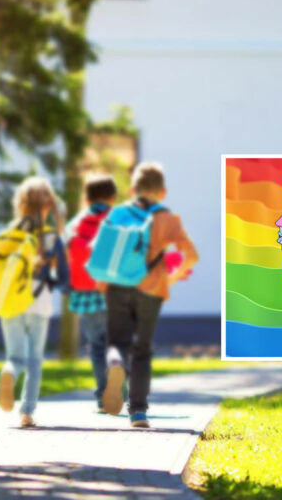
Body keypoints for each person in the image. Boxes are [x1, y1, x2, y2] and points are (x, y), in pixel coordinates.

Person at [102, 162, 198, 428]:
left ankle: (115, 365)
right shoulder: (168, 219)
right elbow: (192, 256)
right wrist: (172, 277)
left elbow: (102, 256)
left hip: (118, 286)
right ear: (162, 192)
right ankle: (139, 412)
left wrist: (104, 285)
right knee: (142, 349)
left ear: (133, 189)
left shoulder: (118, 215)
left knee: (117, 342)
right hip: (152, 289)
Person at [0, 176, 68, 427]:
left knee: (15, 357)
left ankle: (8, 373)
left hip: (10, 302)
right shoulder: (50, 237)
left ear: (21, 203)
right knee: (35, 359)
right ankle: (27, 412)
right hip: (39, 301)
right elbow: (63, 276)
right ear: (48, 205)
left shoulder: (10, 234)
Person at [66, 173, 117, 412]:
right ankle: (120, 393)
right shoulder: (118, 219)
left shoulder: (76, 223)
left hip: (85, 291)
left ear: (87, 198)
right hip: (116, 291)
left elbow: (63, 254)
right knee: (117, 343)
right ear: (113, 197)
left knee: (96, 345)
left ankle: (102, 396)